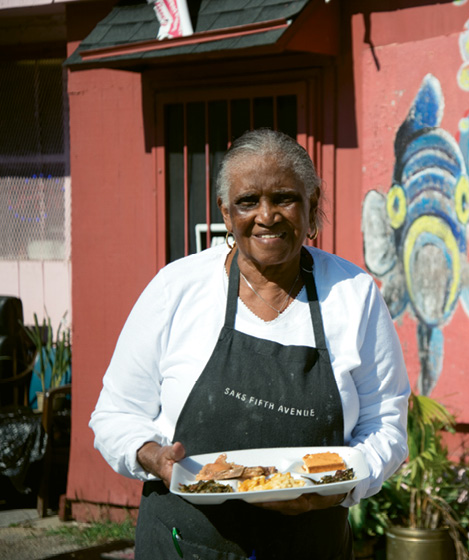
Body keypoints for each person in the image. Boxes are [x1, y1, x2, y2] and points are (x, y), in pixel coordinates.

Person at [90, 129, 411, 559]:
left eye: (284, 198)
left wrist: (346, 485)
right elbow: (116, 414)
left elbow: (386, 422)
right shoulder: (177, 288)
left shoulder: (354, 295)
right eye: (247, 202)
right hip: (185, 545)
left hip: (311, 545)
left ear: (312, 204)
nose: (267, 216)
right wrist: (152, 456)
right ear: (225, 211)